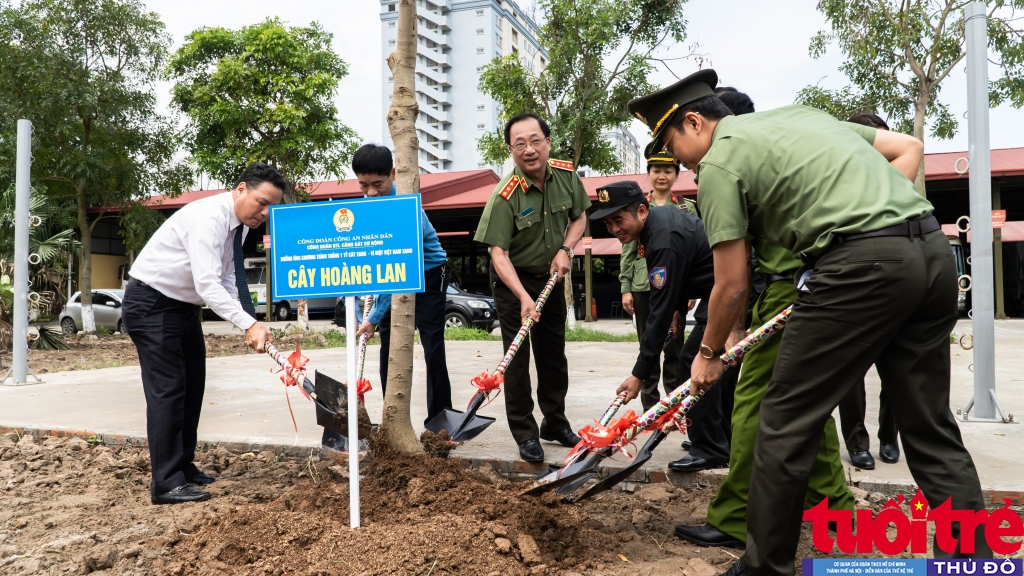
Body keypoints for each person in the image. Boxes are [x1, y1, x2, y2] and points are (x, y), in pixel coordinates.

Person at [629, 69, 991, 576]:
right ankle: (971, 562)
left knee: (783, 421)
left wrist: (706, 357)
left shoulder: (719, 164)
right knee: (928, 425)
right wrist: (880, 216)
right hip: (931, 253)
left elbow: (730, 285)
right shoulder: (801, 116)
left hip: (860, 266)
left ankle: (764, 567)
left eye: (673, 145)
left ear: (695, 122)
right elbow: (907, 146)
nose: (680, 163)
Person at [673, 88, 856, 550]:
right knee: (807, 406)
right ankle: (837, 512)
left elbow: (732, 278)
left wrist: (708, 353)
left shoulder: (729, 164)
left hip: (792, 286)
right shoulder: (788, 146)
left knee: (753, 402)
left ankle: (738, 518)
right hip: (795, 286)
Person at [123, 163, 281, 505]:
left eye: (272, 207)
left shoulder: (237, 226)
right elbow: (207, 283)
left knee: (193, 384)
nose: (265, 213)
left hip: (181, 307)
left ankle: (182, 465)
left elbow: (225, 279)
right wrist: (248, 324)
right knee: (168, 391)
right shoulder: (210, 217)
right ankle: (165, 483)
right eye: (261, 202)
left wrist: (248, 321)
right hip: (152, 304)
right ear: (241, 189)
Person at [474, 113, 590, 463]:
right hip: (514, 282)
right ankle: (525, 433)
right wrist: (524, 298)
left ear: (548, 142)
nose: (529, 149)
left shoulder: (567, 175)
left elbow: (580, 216)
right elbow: (498, 253)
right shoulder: (504, 196)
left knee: (554, 355)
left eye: (535, 140)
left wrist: (565, 249)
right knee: (518, 359)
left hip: (551, 275)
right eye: (519, 144)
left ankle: (555, 423)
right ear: (510, 150)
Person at [597, 182, 727, 437]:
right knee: (700, 363)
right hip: (716, 291)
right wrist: (678, 311)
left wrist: (638, 375)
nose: (614, 229)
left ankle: (711, 446)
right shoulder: (658, 221)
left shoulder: (661, 240)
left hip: (730, 291)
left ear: (642, 211)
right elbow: (683, 272)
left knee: (696, 361)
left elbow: (658, 314)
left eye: (619, 220)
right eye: (608, 223)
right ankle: (718, 440)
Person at [342, 143, 452, 433]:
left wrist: (373, 317)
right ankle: (393, 420)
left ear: (392, 174)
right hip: (394, 274)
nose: (371, 191)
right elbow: (370, 262)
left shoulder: (405, 207)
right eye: (364, 185)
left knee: (432, 347)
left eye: (378, 184)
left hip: (428, 273)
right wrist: (361, 311)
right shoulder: (365, 208)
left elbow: (401, 273)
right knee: (389, 349)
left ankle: (440, 425)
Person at [836, 112, 902, 468]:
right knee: (851, 374)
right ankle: (856, 442)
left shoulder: (900, 178)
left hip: (894, 286)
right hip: (853, 289)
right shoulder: (839, 181)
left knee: (895, 370)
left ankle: (889, 437)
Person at [618, 153, 687, 411]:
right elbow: (627, 249)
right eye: (656, 170)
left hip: (674, 288)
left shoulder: (685, 208)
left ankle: (675, 403)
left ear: (676, 176)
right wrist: (626, 288)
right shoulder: (637, 207)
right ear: (648, 173)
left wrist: (688, 291)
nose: (662, 176)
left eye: (668, 171)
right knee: (648, 343)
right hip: (642, 286)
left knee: (674, 347)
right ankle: (650, 406)